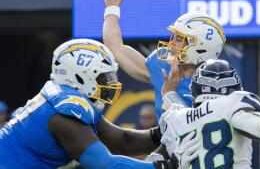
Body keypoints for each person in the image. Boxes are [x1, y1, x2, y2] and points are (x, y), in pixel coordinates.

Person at [0, 39, 200, 169]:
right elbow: (105, 165)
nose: (110, 83)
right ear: (80, 76)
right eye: (104, 77)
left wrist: (162, 132)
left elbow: (123, 141)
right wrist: (167, 167)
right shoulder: (64, 114)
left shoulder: (67, 98)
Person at [159, 59, 260, 168]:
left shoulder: (174, 118)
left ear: (194, 90)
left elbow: (179, 111)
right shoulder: (232, 104)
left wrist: (168, 94)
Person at [103, 0, 226, 120]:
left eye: (179, 39)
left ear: (201, 48)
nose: (171, 44)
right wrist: (112, 7)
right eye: (173, 37)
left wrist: (170, 92)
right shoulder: (162, 65)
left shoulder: (214, 87)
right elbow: (114, 46)